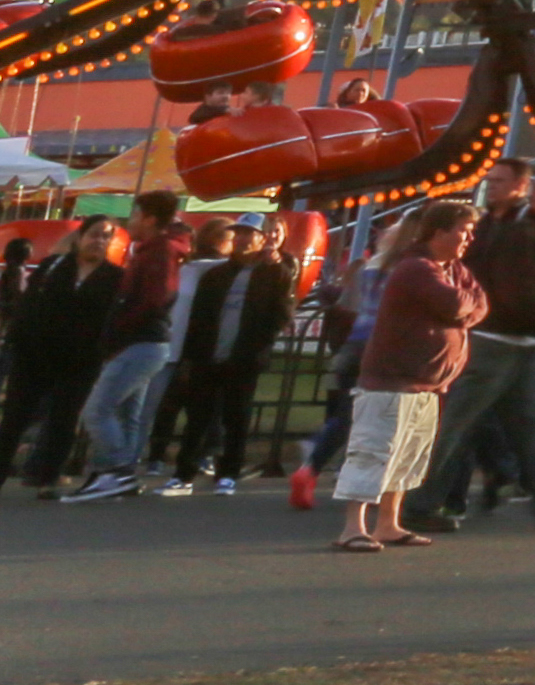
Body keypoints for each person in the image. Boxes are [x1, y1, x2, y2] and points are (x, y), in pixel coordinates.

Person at [421, 166, 535, 529]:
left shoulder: (522, 227)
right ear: (530, 189)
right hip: (496, 340)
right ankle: (419, 503)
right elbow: (511, 291)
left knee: (527, 425)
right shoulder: (517, 230)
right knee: (459, 425)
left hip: (519, 340)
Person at [324, 199, 483, 554]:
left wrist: (468, 305)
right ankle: (353, 527)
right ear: (439, 231)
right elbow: (459, 306)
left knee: (408, 455)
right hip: (392, 379)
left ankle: (389, 523)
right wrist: (466, 306)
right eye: (463, 230)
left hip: (428, 382)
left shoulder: (454, 269)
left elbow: (481, 303)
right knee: (374, 451)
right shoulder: (415, 268)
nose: (469, 238)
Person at [159, 211, 295, 495]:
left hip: (244, 358)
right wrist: (190, 357)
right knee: (198, 417)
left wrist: (259, 346)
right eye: (240, 233)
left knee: (236, 416)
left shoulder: (273, 274)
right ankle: (184, 473)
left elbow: (280, 315)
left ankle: (228, 472)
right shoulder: (216, 275)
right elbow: (198, 319)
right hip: (208, 356)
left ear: (262, 239)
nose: (243, 239)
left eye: (250, 234)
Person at [61, 197, 184, 498]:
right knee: (128, 412)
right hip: (143, 342)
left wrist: (119, 327)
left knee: (97, 410)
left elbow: (154, 299)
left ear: (150, 219)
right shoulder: (151, 251)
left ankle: (116, 471)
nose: (129, 222)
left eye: (134, 215)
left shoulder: (159, 252)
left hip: (140, 342)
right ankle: (118, 475)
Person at [6, 221, 115, 495]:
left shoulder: (114, 276)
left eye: (105, 237)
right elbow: (28, 304)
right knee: (15, 418)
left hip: (80, 361)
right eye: (94, 235)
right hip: (34, 355)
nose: (99, 241)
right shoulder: (54, 266)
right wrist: (18, 342)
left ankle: (47, 478)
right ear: (79, 238)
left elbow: (113, 320)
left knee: (63, 421)